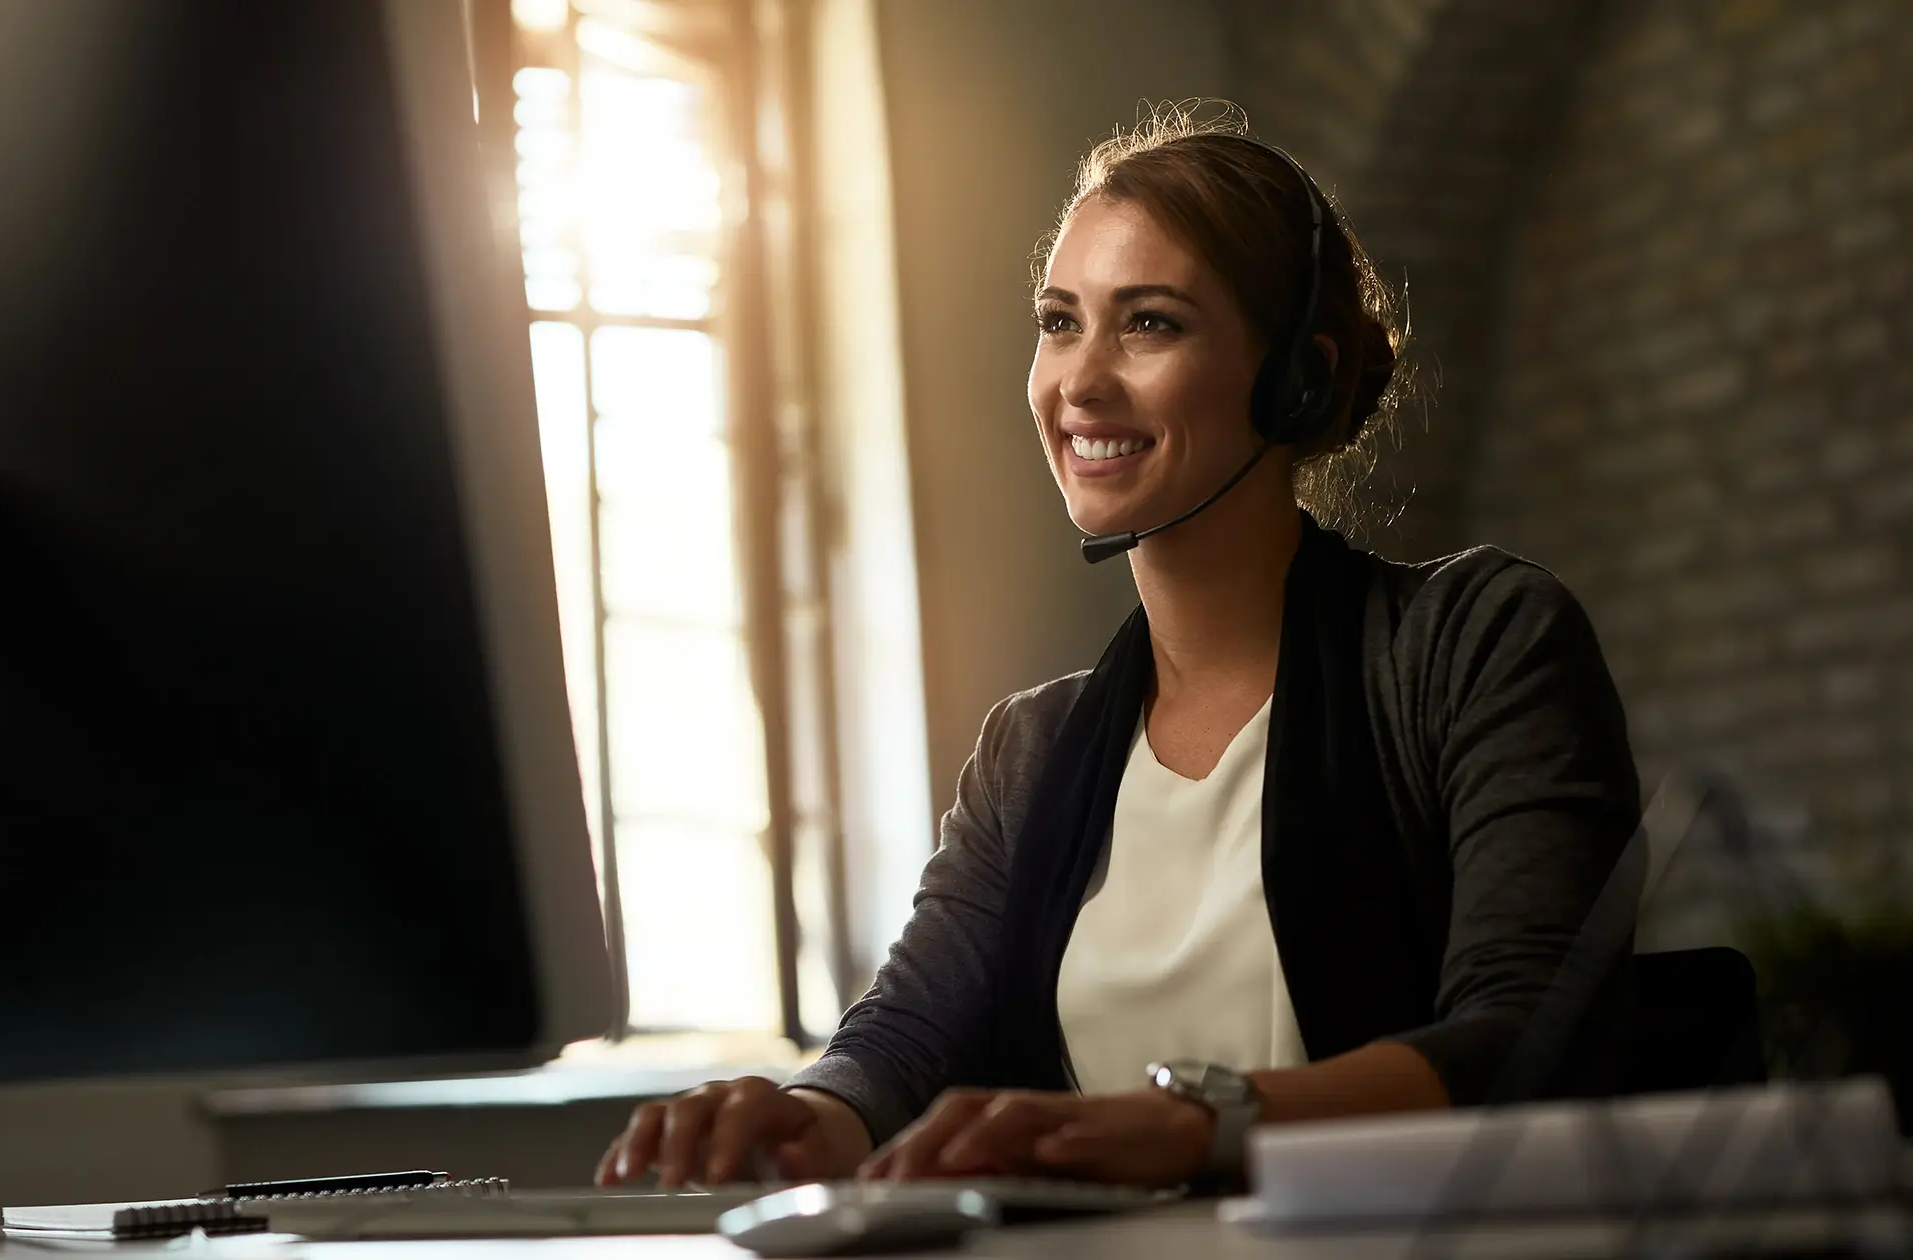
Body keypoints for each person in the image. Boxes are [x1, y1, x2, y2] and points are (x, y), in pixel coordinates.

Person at [596, 106, 1640, 1192]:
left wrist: (1199, 1124)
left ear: (1297, 378)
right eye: (1059, 321)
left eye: (1149, 324)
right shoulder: (1031, 749)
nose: (1079, 382)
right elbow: (904, 1041)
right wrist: (799, 1117)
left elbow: (1534, 1034)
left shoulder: (1476, 642)